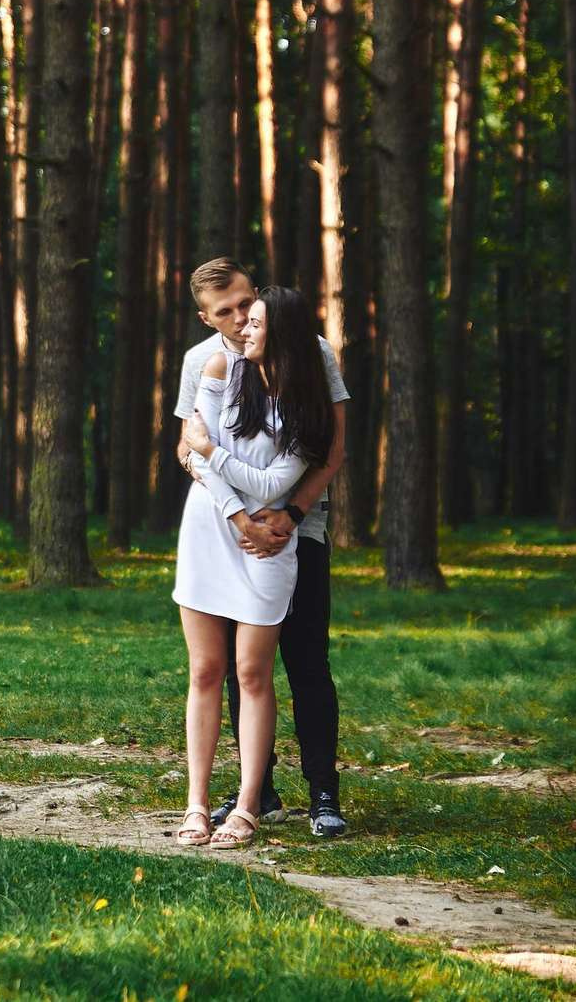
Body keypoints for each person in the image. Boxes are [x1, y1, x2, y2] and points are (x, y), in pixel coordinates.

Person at [171, 279, 340, 850]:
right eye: (232, 313)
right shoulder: (213, 364)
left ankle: (301, 797)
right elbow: (190, 449)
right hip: (220, 530)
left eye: (252, 312)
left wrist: (283, 514)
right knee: (208, 670)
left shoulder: (311, 377)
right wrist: (239, 516)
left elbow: (279, 474)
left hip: (287, 533)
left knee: (280, 667)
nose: (242, 322)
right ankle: (214, 802)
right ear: (206, 316)